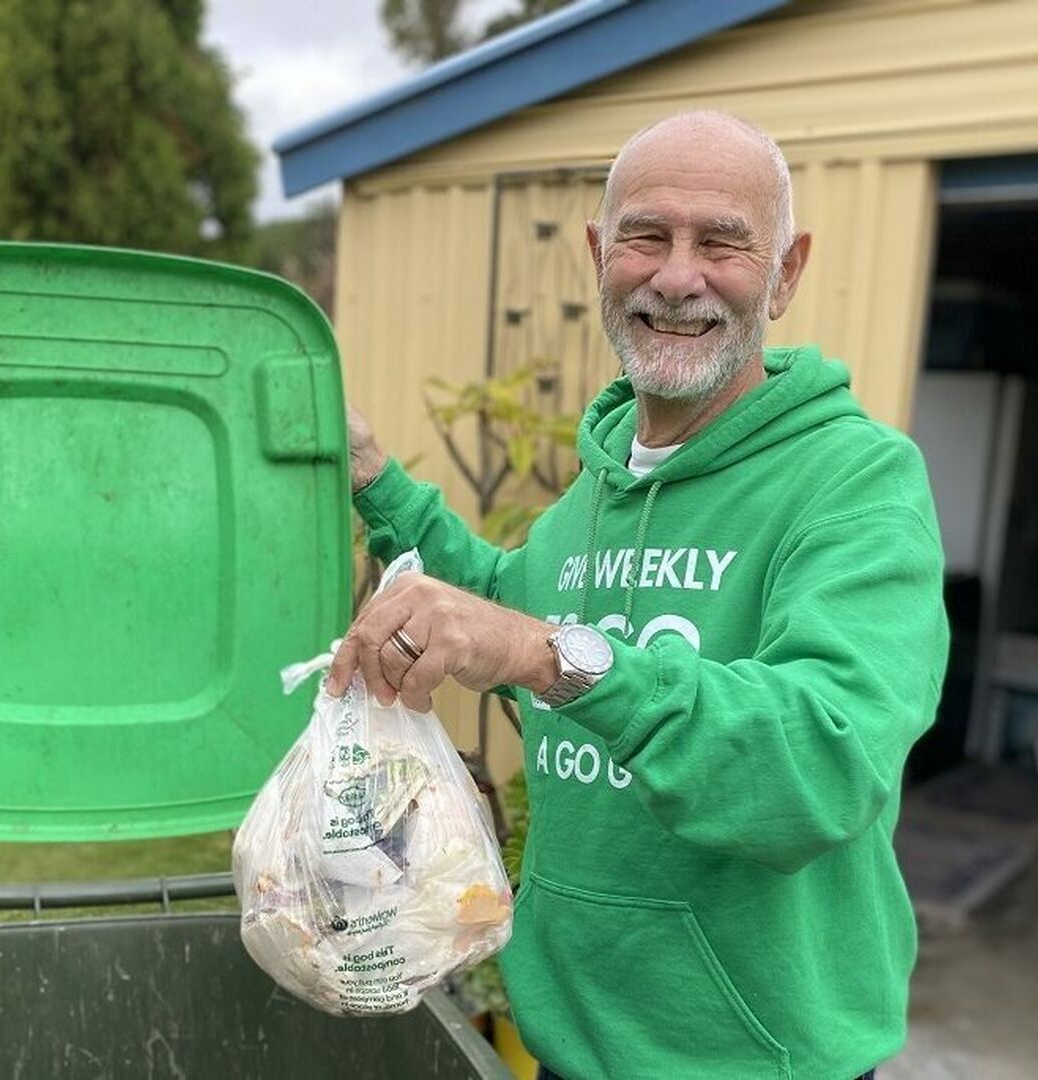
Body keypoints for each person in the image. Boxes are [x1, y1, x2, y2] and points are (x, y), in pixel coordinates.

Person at [327, 111, 948, 1080]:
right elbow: (503, 604)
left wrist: (544, 653)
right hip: (571, 1049)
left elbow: (821, 761)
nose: (676, 275)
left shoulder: (856, 483)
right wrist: (378, 481)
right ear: (598, 256)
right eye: (646, 236)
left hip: (756, 1064)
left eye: (723, 243)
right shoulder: (597, 492)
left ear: (786, 272)